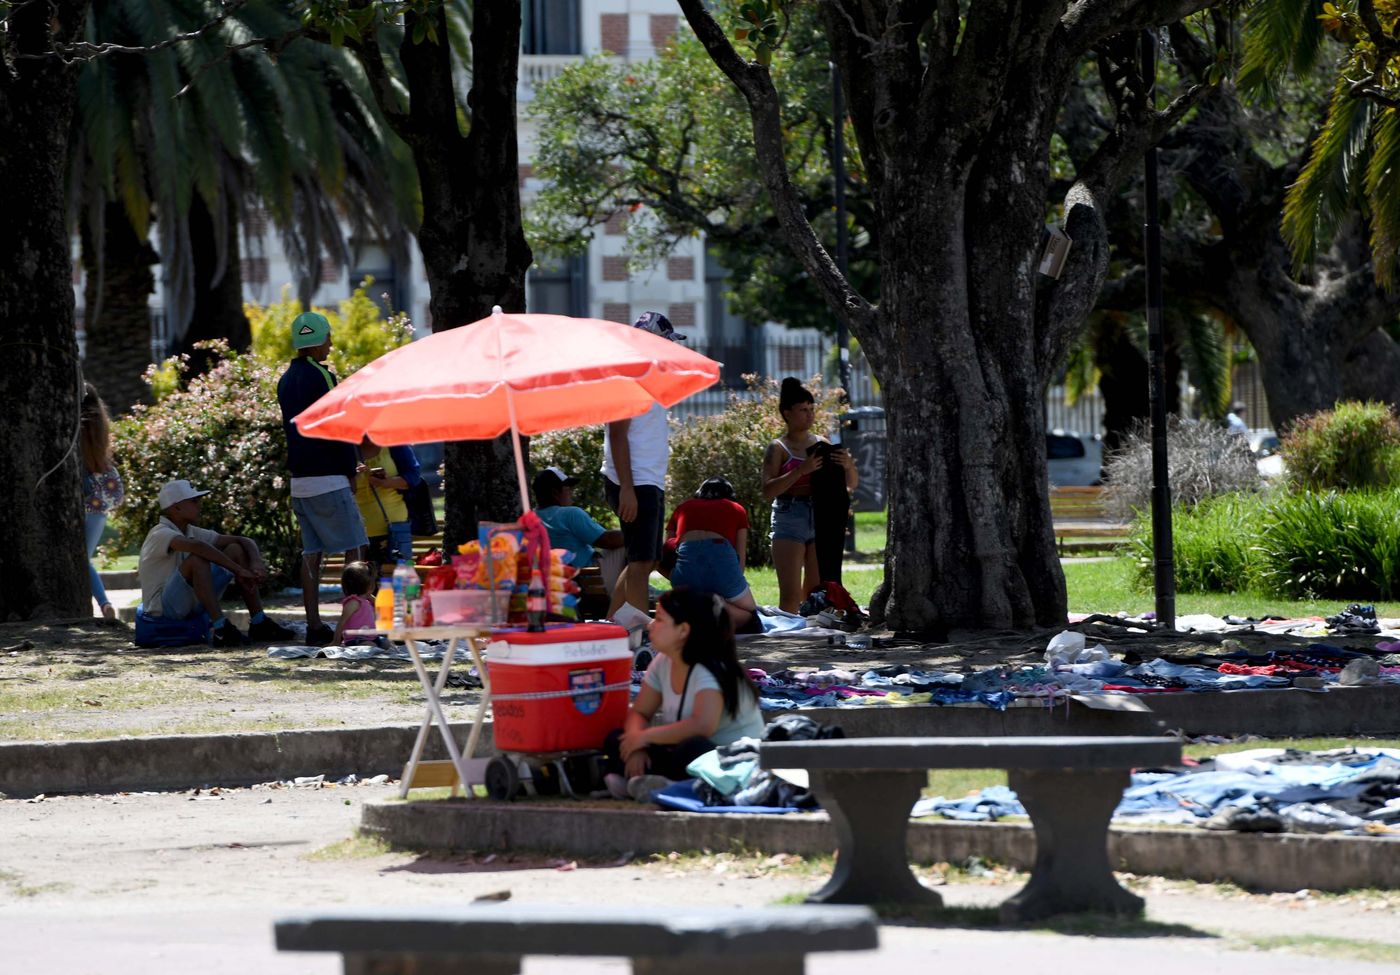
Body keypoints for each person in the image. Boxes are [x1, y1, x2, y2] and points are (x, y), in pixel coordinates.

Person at [602, 587, 764, 801]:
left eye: (659, 619)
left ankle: (664, 786)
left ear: (683, 630)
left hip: (734, 763)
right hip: (684, 755)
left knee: (693, 747)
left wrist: (644, 737)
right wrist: (635, 747)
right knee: (616, 739)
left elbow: (702, 726)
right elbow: (640, 712)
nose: (651, 624)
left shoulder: (709, 669)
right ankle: (655, 784)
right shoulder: (664, 661)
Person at [277, 310, 368, 644]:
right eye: (328, 337)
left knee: (311, 554)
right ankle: (356, 624)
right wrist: (351, 470)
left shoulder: (285, 379)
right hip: (330, 476)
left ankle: (314, 626)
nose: (331, 343)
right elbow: (339, 426)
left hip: (299, 480)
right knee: (355, 547)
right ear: (317, 341)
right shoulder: (324, 376)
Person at [138, 479, 294, 647]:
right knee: (198, 559)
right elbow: (198, 547)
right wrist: (238, 570)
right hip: (165, 609)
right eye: (194, 501)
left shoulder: (190, 531)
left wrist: (256, 563)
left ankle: (259, 621)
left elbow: (243, 540)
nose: (200, 505)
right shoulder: (159, 533)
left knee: (235, 549)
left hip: (187, 604)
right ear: (176, 508)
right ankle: (221, 629)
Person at [601, 311, 683, 618]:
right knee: (640, 563)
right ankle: (637, 637)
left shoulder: (648, 381)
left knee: (645, 560)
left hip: (647, 481)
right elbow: (617, 436)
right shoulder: (627, 382)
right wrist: (627, 489)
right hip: (634, 482)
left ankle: (613, 623)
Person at [761, 378, 857, 613]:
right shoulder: (778, 448)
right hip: (789, 514)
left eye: (812, 410)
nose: (809, 415)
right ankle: (790, 641)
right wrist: (801, 470)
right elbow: (767, 491)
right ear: (787, 413)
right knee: (791, 596)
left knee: (815, 591)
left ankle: (810, 638)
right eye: (803, 410)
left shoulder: (822, 444)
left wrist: (848, 466)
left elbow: (851, 485)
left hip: (820, 515)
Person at [665, 477, 758, 631]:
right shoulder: (736, 509)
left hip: (686, 572)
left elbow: (667, 550)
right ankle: (712, 608)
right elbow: (740, 560)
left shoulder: (683, 507)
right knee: (751, 615)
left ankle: (696, 607)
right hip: (724, 568)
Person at [532, 466, 625, 591]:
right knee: (633, 544)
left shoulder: (531, 518)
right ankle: (639, 590)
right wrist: (640, 533)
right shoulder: (570, 514)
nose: (571, 492)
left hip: (558, 582)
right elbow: (607, 541)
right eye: (568, 488)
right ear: (555, 492)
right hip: (589, 581)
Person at [79, 383, 123, 621]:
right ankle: (104, 604)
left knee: (82, 559)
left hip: (82, 496)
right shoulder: (100, 424)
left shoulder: (75, 422)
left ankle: (104, 603)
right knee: (84, 558)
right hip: (100, 500)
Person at [354, 437, 422, 569]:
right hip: (359, 530)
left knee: (399, 580)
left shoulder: (395, 445)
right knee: (364, 583)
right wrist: (353, 476)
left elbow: (413, 477)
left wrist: (385, 482)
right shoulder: (347, 450)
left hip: (394, 526)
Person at [332, 560, 377, 645]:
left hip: (371, 637)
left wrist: (369, 596)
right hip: (356, 639)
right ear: (369, 585)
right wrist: (336, 641)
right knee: (370, 645)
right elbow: (341, 622)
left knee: (387, 643)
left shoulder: (366, 600)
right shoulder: (354, 603)